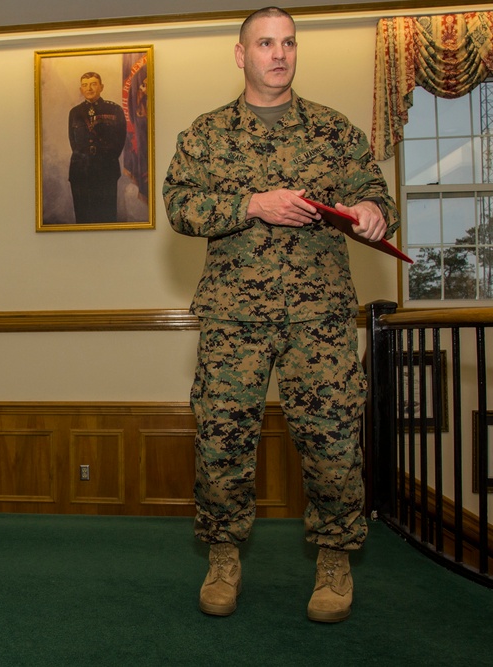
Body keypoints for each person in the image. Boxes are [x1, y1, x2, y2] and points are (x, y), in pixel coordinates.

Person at [163, 7, 398, 624]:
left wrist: (374, 214)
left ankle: (334, 561)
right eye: (265, 43)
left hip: (317, 315)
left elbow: (376, 196)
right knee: (222, 440)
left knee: (333, 441)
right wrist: (252, 203)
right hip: (232, 317)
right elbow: (180, 207)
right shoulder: (207, 134)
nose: (279, 53)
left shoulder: (333, 130)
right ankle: (222, 557)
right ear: (241, 55)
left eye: (289, 43)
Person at [68, 72, 127, 223]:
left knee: (106, 215)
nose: (89, 88)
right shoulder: (75, 112)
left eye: (93, 84)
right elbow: (73, 142)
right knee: (83, 217)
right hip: (80, 171)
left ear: (101, 87)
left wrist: (105, 160)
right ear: (81, 89)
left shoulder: (115, 110)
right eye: (85, 85)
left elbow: (120, 140)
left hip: (105, 170)